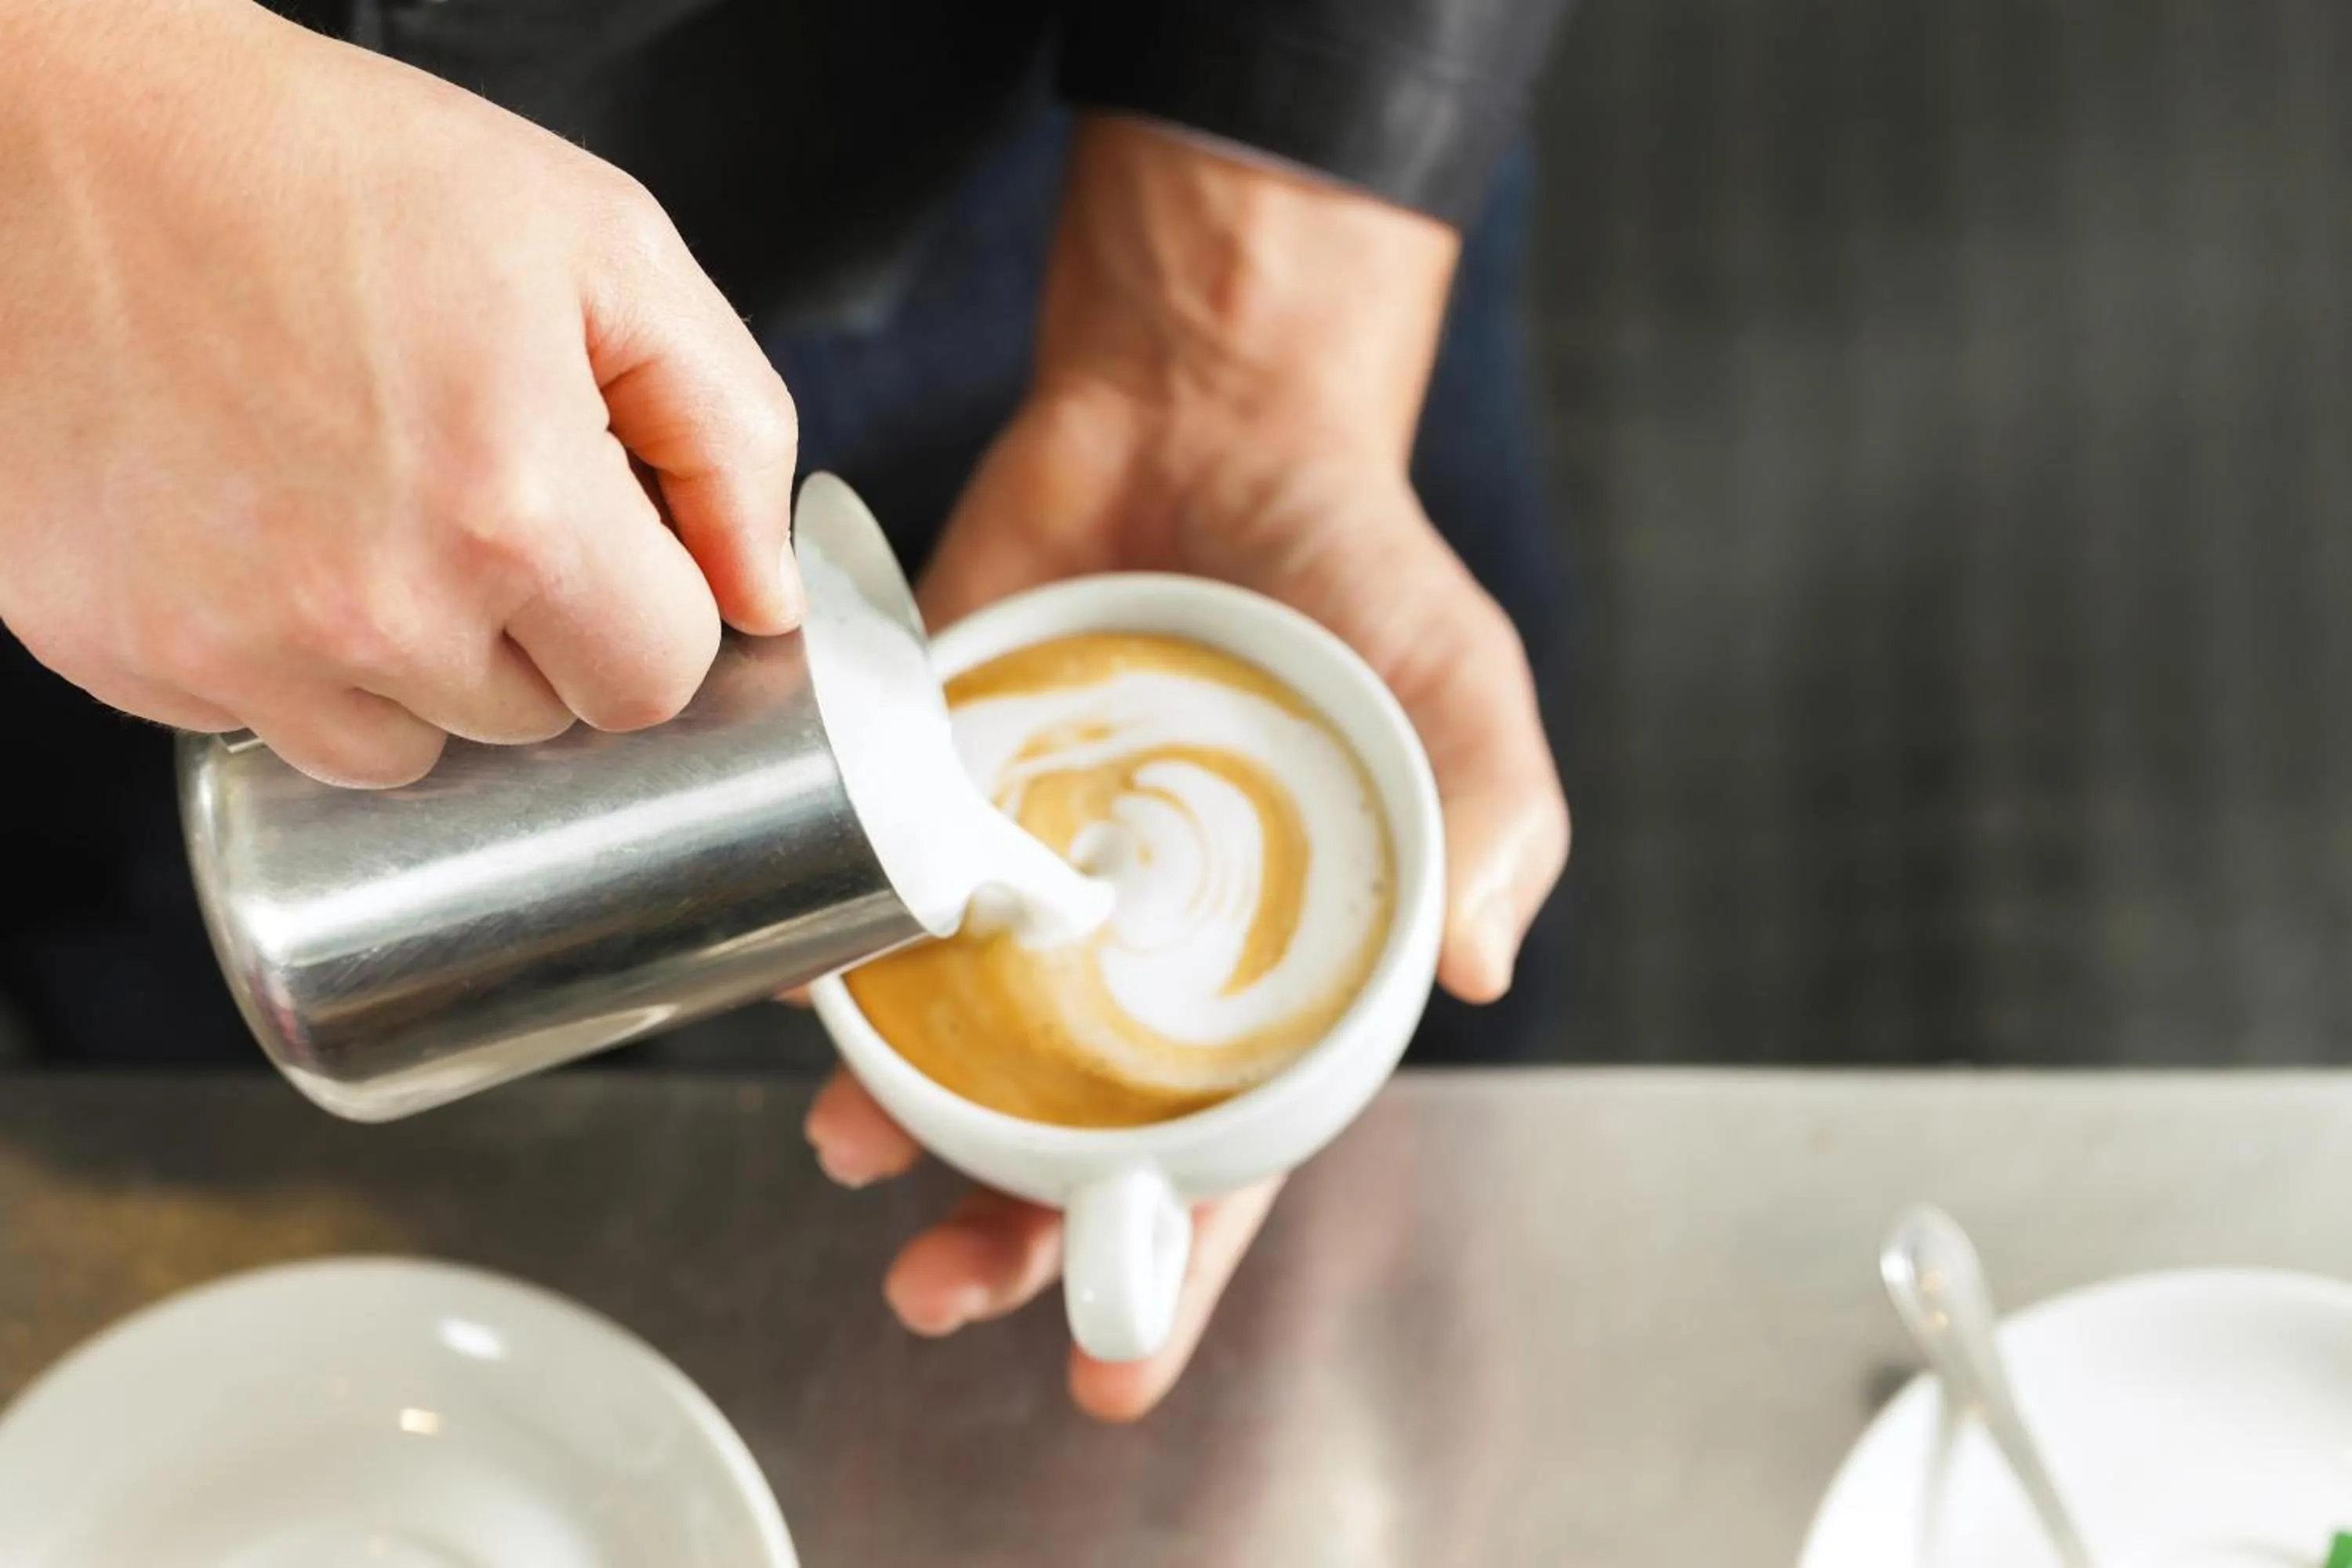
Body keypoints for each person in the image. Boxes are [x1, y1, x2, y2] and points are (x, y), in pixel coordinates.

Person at [0, 0, 1571, 1419]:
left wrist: (1240, 342)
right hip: (105, 367)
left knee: (1380, 1253)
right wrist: (55, 114)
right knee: (214, 1152)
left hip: (1096, 136)